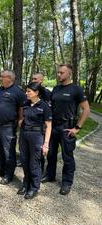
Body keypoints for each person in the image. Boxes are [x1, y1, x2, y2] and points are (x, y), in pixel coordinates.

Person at [41, 64, 90, 195]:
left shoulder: (76, 89)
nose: (58, 75)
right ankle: (50, 175)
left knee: (67, 157)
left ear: (69, 74)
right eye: (58, 73)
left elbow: (86, 109)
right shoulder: (56, 89)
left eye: (61, 73)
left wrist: (77, 127)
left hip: (67, 127)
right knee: (51, 154)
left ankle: (67, 183)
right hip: (54, 127)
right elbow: (51, 107)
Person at [0, 70, 26, 185]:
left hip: (8, 126)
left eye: (2, 77)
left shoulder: (18, 92)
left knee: (8, 152)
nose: (0, 79)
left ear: (9, 78)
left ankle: (9, 175)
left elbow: (21, 108)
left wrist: (20, 120)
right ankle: (0, 170)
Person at [17, 82, 52, 199]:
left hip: (37, 136)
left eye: (29, 91)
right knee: (25, 161)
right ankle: (25, 184)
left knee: (34, 163)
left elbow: (49, 126)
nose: (26, 93)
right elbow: (22, 117)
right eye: (26, 91)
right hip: (24, 135)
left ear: (36, 93)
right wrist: (21, 121)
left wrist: (46, 144)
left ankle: (34, 187)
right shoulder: (26, 104)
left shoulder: (44, 106)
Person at [18, 73, 52, 169]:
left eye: (35, 79)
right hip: (26, 130)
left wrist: (46, 143)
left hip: (39, 130)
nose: (33, 80)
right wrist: (21, 119)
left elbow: (48, 117)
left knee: (36, 160)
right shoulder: (28, 98)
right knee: (26, 157)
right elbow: (23, 108)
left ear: (41, 80)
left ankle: (38, 174)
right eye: (32, 78)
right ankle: (27, 179)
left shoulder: (47, 94)